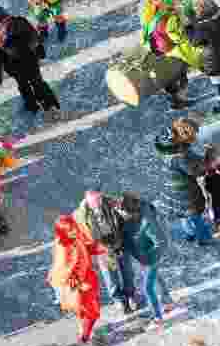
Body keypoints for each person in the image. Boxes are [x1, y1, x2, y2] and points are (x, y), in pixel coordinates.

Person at [48, 215, 105, 346]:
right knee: (91, 313)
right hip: (79, 288)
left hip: (87, 281)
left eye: (73, 227)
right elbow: (61, 273)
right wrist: (78, 283)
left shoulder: (74, 238)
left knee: (88, 313)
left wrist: (101, 248)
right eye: (70, 229)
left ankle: (85, 332)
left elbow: (85, 249)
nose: (74, 230)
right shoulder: (64, 249)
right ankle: (84, 338)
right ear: (63, 232)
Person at [120, 191, 174, 332]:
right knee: (157, 276)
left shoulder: (147, 222)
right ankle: (168, 301)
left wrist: (148, 259)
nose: (123, 214)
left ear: (133, 211)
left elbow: (161, 242)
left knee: (148, 288)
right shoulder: (136, 215)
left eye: (125, 212)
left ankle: (158, 318)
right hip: (146, 256)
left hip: (151, 258)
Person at [76, 190, 135, 315]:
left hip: (119, 240)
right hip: (102, 247)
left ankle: (130, 295)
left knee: (127, 271)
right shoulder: (82, 214)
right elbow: (81, 232)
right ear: (89, 203)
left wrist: (121, 210)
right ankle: (119, 300)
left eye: (99, 201)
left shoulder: (110, 203)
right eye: (94, 203)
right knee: (110, 275)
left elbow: (127, 216)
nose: (98, 205)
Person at [0, 8, 59, 114]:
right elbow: (34, 36)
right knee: (37, 81)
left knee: (23, 85)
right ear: (8, 14)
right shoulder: (21, 21)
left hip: (13, 65)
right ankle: (49, 103)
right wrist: (40, 52)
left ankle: (32, 106)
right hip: (30, 58)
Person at [158, 118, 213, 245]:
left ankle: (189, 233)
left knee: (183, 214)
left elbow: (191, 157)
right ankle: (204, 237)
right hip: (184, 191)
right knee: (194, 215)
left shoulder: (170, 146)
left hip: (171, 187)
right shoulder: (179, 156)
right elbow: (195, 171)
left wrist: (201, 159)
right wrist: (207, 159)